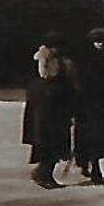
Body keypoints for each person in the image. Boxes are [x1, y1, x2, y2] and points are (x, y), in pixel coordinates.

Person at [22, 31, 74, 189]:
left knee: (45, 140)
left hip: (44, 109)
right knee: (51, 141)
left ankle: (42, 173)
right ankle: (44, 175)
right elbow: (49, 76)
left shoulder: (40, 61)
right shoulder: (51, 61)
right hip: (51, 109)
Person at [71, 28, 104, 186]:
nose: (100, 44)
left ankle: (90, 163)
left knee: (101, 136)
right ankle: (93, 168)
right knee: (91, 136)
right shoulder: (84, 59)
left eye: (103, 41)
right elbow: (79, 82)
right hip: (87, 104)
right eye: (97, 41)